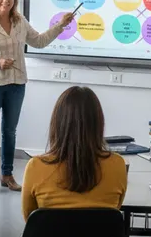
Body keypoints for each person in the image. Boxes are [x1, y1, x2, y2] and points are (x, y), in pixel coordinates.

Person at [0, 0, 74, 195]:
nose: (6, 0)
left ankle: (7, 175)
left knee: (10, 131)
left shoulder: (20, 22)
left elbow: (40, 41)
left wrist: (61, 25)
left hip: (16, 84)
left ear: (14, 0)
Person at [21, 87, 127, 221]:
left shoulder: (35, 167)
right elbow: (115, 210)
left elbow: (29, 219)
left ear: (57, 123)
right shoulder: (117, 164)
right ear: (98, 123)